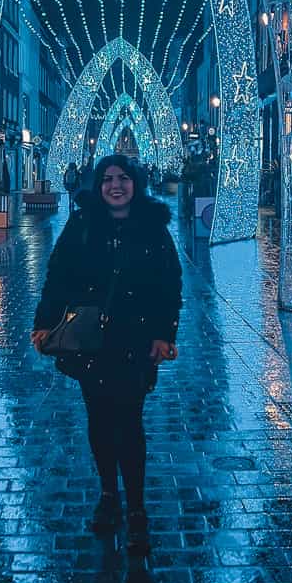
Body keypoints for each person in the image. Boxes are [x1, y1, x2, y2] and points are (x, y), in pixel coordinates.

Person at [31, 155, 182, 555]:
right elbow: (57, 276)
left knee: (129, 421)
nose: (116, 186)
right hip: (91, 341)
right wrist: (45, 322)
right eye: (108, 179)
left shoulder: (153, 226)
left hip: (134, 340)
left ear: (137, 183)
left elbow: (170, 283)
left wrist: (164, 334)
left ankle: (135, 507)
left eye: (124, 179)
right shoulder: (82, 225)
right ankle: (108, 495)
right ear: (97, 185)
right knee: (99, 418)